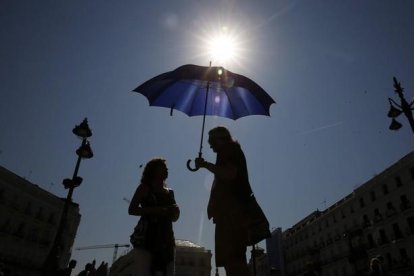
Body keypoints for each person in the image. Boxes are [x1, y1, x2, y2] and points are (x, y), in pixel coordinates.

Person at [195, 126, 254, 276]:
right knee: (233, 261)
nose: (210, 145)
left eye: (212, 141)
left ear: (220, 139)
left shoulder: (228, 150)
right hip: (231, 213)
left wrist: (205, 165)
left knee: (233, 260)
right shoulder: (229, 151)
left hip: (231, 214)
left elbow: (229, 173)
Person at [129, 157, 180, 276]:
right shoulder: (144, 188)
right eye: (162, 167)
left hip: (166, 237)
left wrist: (176, 212)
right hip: (147, 236)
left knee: (168, 271)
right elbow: (132, 209)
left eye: (166, 168)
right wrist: (154, 210)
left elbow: (174, 218)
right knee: (144, 271)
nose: (166, 170)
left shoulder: (170, 192)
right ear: (153, 170)